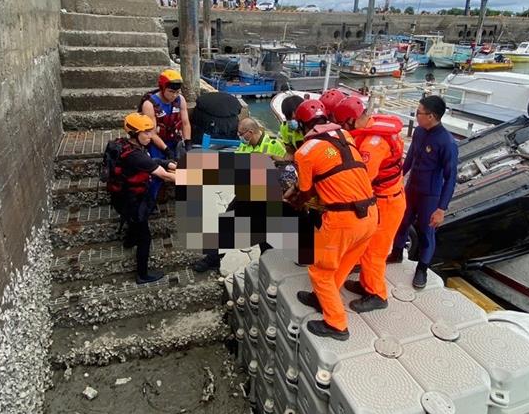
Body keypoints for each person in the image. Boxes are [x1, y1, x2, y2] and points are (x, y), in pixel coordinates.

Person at [289, 99, 378, 340]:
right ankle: (322, 299)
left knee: (319, 269)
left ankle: (336, 324)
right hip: (370, 215)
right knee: (342, 263)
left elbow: (305, 191)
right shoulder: (344, 136)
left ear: (299, 125)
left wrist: (293, 200)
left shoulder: (304, 152)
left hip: (343, 219)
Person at [331, 95, 406, 311]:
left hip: (386, 203)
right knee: (367, 248)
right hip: (388, 197)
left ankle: (377, 294)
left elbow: (363, 179)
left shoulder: (372, 145)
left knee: (375, 251)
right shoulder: (373, 127)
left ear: (351, 121)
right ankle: (366, 284)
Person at [192, 118, 284, 273]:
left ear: (251, 132)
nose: (240, 137)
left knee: (265, 236)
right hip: (245, 195)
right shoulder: (244, 145)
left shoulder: (274, 146)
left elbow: (285, 173)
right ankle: (214, 258)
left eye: (241, 134)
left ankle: (268, 266)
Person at [388, 95, 458, 289]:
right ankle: (396, 252)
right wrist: (395, 179)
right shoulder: (419, 132)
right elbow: (409, 159)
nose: (416, 115)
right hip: (412, 189)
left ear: (432, 116)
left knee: (427, 233)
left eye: (419, 112)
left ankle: (422, 269)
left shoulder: (447, 143)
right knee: (401, 223)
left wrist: (441, 208)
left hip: (431, 195)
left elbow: (451, 177)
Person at [107, 114, 177, 284]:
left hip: (121, 198)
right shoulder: (135, 155)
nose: (150, 136)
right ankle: (142, 275)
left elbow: (150, 161)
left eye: (151, 132)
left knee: (134, 224)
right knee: (145, 237)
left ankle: (129, 241)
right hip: (131, 201)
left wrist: (169, 163)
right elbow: (164, 176)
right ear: (135, 134)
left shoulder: (124, 145)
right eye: (146, 133)